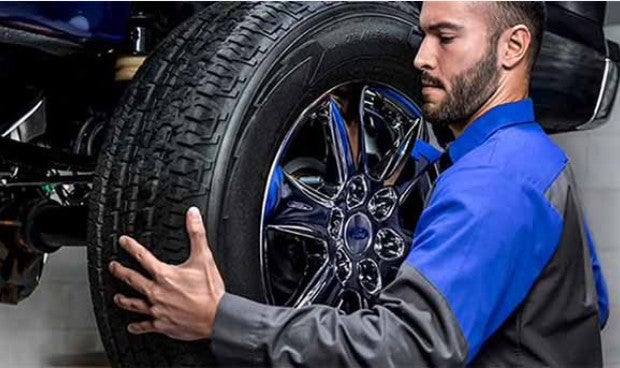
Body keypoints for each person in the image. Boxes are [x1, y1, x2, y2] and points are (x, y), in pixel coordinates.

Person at [108, 2, 609, 366]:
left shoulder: (497, 182)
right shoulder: (533, 161)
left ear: (513, 46)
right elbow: (593, 306)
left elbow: (407, 349)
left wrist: (221, 318)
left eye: (446, 37)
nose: (420, 57)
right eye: (422, 36)